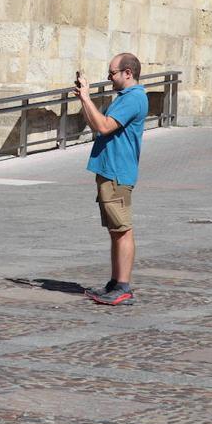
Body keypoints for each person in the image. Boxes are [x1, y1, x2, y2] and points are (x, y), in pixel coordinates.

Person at [73, 53, 148, 305]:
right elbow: (97, 124)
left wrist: (86, 98)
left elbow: (105, 127)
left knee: (122, 229)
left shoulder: (134, 98)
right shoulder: (123, 99)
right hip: (109, 170)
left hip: (118, 172)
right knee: (115, 231)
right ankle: (116, 282)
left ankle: (124, 287)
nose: (109, 77)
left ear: (128, 73)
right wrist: (85, 101)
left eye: (112, 73)